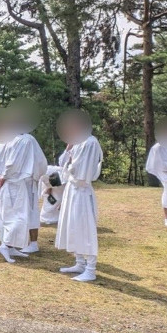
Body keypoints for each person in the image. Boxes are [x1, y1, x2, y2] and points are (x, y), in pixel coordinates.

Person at [0, 104, 47, 262]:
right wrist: (4, 176)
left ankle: (13, 246)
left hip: (7, 184)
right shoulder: (24, 140)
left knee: (11, 215)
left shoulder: (8, 139)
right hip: (18, 184)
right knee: (19, 216)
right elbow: (14, 163)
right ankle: (6, 245)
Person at [55, 110, 103, 282]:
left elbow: (78, 171)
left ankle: (91, 269)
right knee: (73, 226)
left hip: (81, 190)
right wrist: (68, 149)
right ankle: (79, 262)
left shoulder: (90, 142)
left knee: (85, 228)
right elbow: (62, 163)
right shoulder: (76, 143)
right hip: (72, 190)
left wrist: (68, 166)